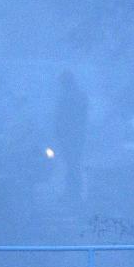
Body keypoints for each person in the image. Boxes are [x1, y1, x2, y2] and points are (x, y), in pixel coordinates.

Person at [53, 69, 89, 202]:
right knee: (73, 164)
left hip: (70, 137)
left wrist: (60, 133)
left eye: (61, 82)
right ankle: (73, 193)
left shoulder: (67, 97)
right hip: (76, 136)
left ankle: (73, 194)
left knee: (72, 164)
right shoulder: (80, 96)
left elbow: (62, 118)